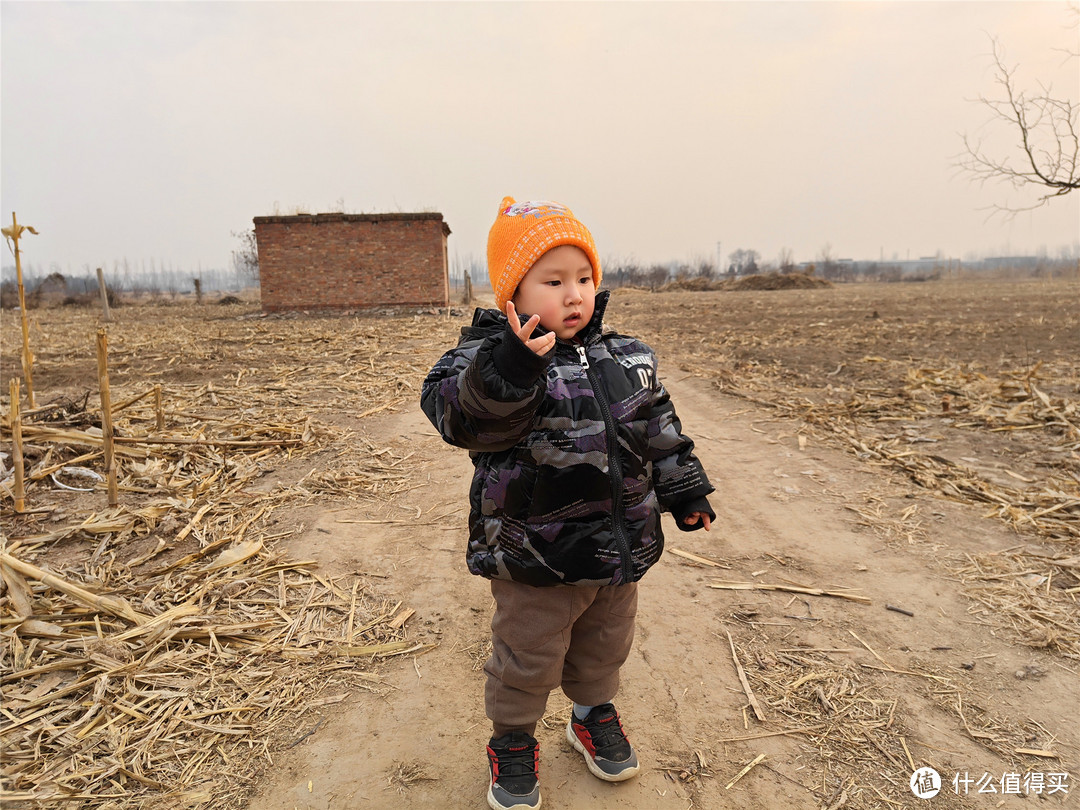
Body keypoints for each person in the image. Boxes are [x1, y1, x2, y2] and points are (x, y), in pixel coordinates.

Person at [421, 197, 715, 810]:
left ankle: (591, 714)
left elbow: (659, 427)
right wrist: (513, 366)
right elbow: (465, 421)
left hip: (618, 547)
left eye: (583, 278)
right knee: (526, 657)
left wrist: (683, 487)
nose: (574, 295)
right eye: (553, 282)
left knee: (604, 646)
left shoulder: (625, 357)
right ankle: (513, 741)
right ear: (513, 293)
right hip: (534, 556)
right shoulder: (480, 363)